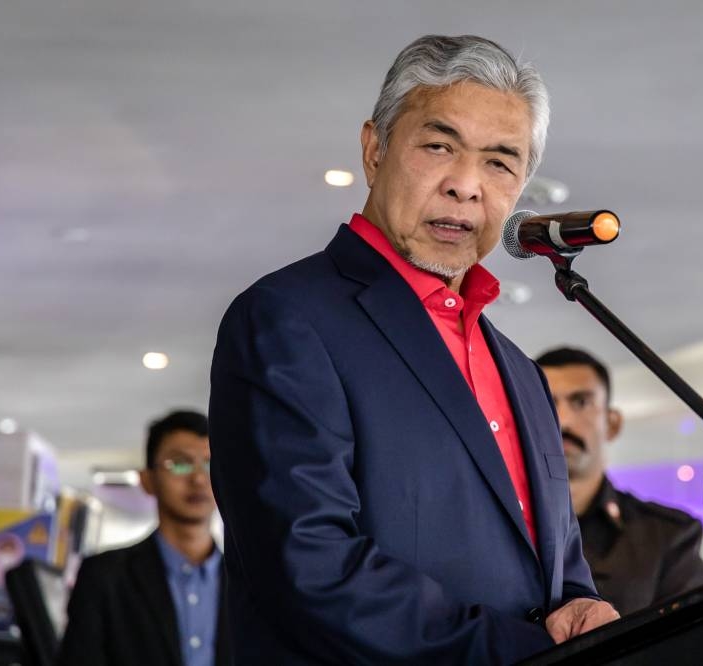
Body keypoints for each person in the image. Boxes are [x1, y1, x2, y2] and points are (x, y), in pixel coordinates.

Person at [208, 34, 618, 665]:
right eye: (438, 146)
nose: (465, 186)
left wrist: (581, 609)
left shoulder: (523, 374)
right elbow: (310, 565)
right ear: (375, 151)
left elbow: (554, 571)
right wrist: (527, 650)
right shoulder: (286, 319)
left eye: (500, 162)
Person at [536, 347, 703, 615]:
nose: (563, 421)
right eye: (546, 403)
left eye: (581, 402)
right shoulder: (494, 526)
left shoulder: (667, 536)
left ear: (612, 423)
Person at [58, 410, 229, 666]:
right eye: (180, 463)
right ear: (147, 480)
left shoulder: (249, 581)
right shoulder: (104, 576)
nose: (198, 478)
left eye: (209, 464)